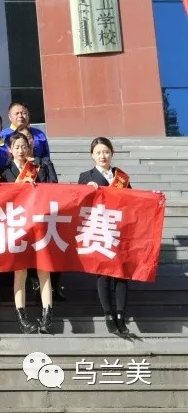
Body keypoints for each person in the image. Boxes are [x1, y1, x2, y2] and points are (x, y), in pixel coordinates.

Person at [2, 132, 55, 334]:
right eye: (17, 147)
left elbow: (50, 190)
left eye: (24, 146)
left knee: (44, 268)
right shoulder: (4, 170)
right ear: (10, 149)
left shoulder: (38, 167)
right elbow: (1, 196)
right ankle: (22, 317)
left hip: (39, 223)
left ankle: (47, 315)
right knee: (20, 270)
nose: (21, 150)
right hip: (17, 225)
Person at [79, 136, 132, 335]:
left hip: (118, 229)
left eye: (106, 152)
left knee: (121, 273)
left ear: (112, 153)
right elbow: (78, 202)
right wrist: (87, 190)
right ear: (92, 155)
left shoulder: (121, 177)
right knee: (103, 273)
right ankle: (108, 314)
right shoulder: (86, 176)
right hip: (99, 229)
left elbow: (132, 200)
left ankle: (121, 315)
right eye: (98, 152)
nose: (103, 156)